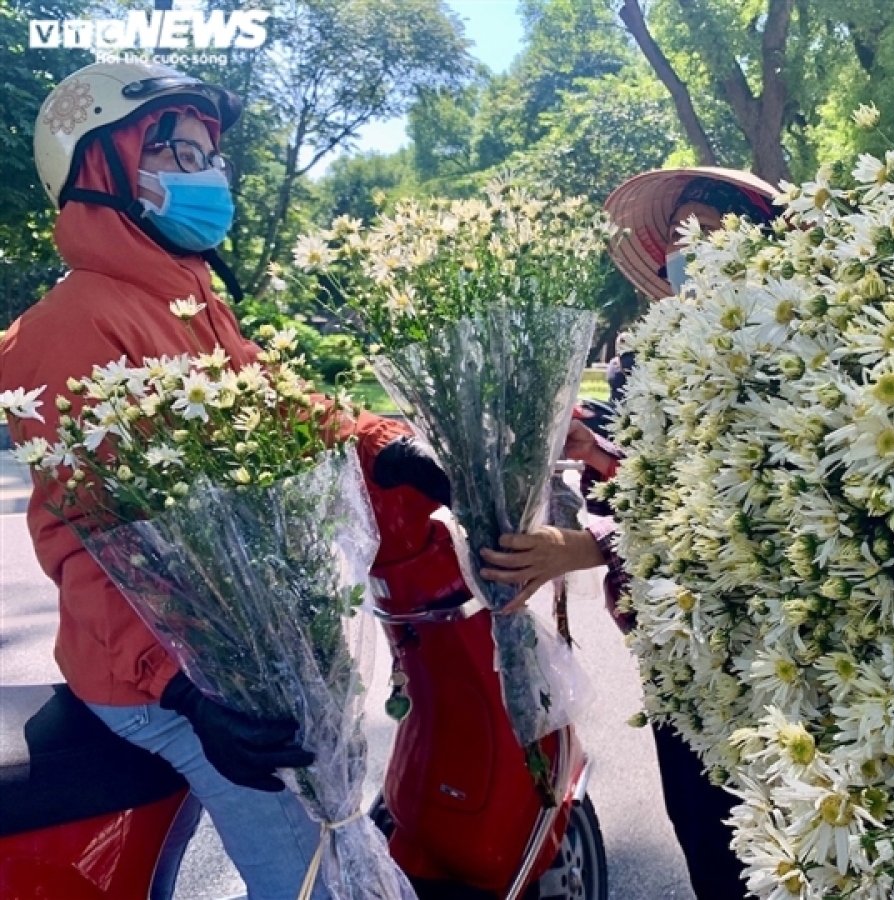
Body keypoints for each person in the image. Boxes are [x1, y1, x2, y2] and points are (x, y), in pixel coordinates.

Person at [0, 61, 448, 900]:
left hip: (231, 648)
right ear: (102, 168)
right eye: (173, 150)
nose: (205, 173)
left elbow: (276, 406)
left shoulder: (190, 294)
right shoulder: (64, 328)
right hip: (163, 679)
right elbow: (86, 544)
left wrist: (385, 445)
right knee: (320, 880)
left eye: (209, 153)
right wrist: (178, 690)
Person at [481, 167, 777, 900]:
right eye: (680, 237)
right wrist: (593, 452)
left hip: (776, 653)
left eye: (712, 231)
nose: (692, 250)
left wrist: (585, 549)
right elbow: (644, 481)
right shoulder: (647, 361)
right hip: (679, 657)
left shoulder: (794, 359)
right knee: (712, 843)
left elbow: (760, 513)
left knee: (794, 839)